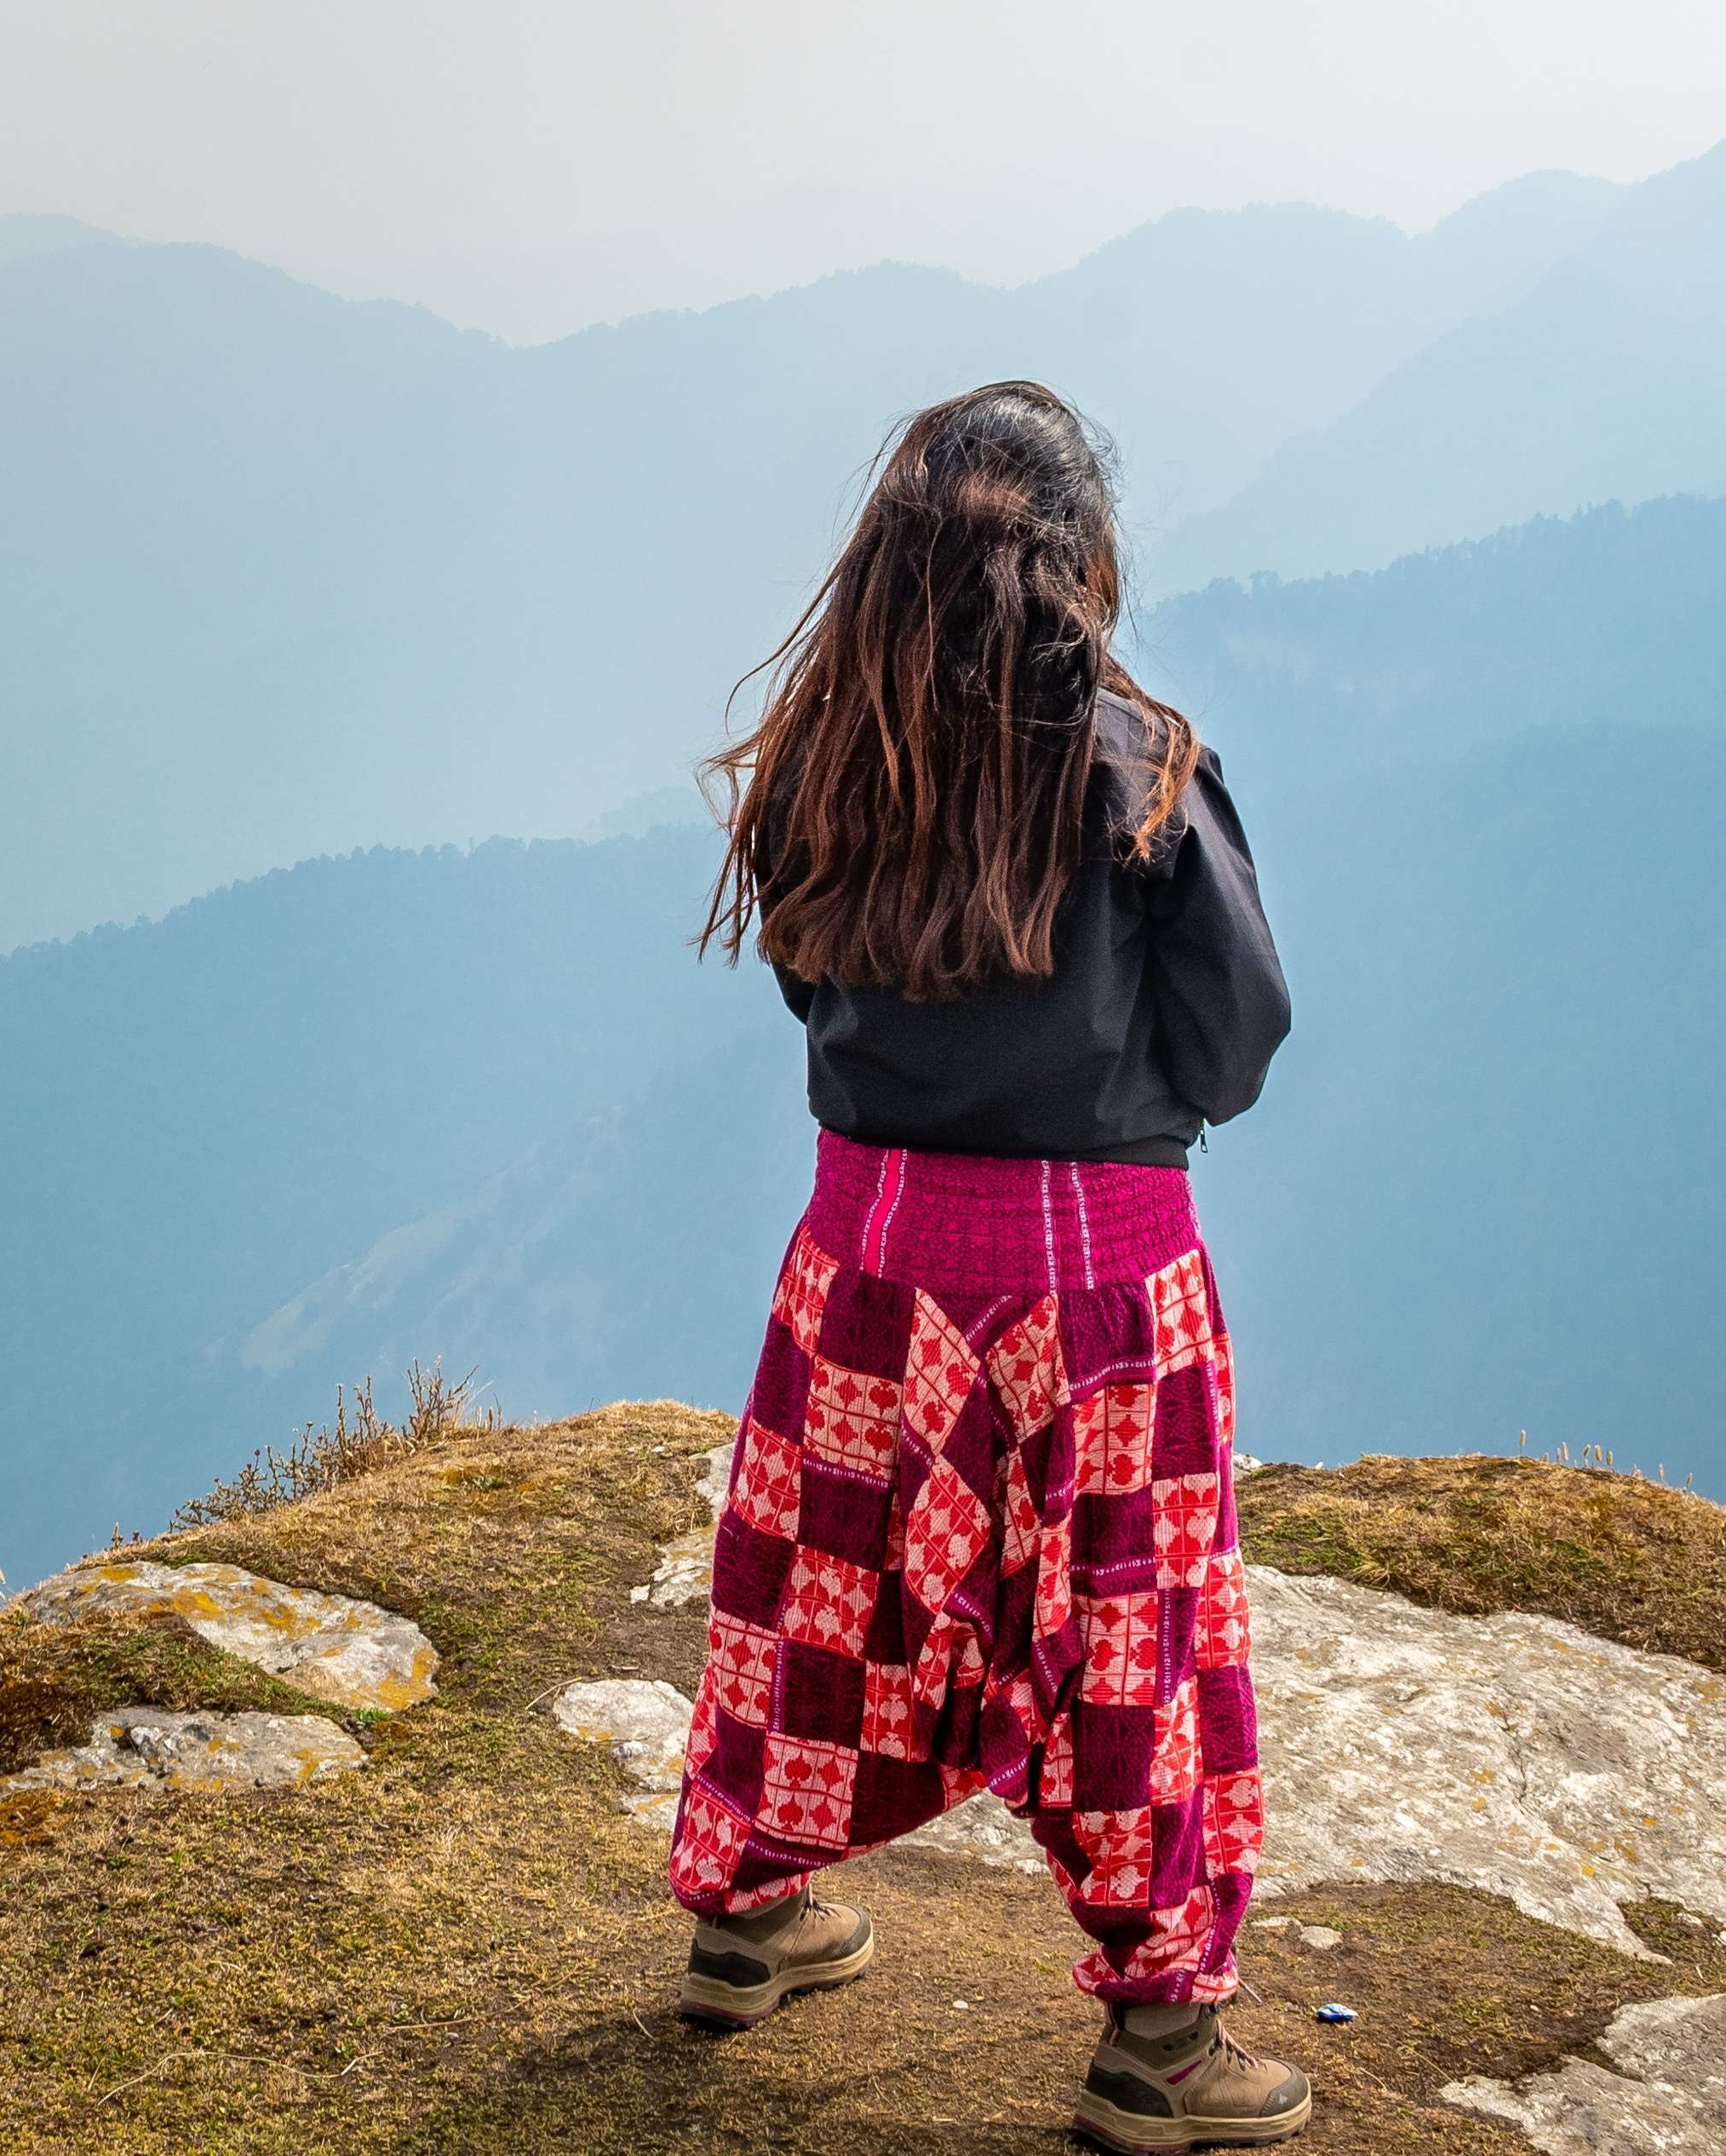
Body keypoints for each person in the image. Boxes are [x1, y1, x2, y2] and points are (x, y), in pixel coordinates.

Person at [666, 381, 1307, 2152]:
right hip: (1102, 1288)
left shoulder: (825, 755)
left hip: (865, 1264)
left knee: (815, 1597)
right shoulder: (1138, 768)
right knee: (1130, 1650)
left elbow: (806, 978)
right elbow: (1237, 1039)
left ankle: (742, 1919)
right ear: (1081, 566)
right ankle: (1160, 2052)